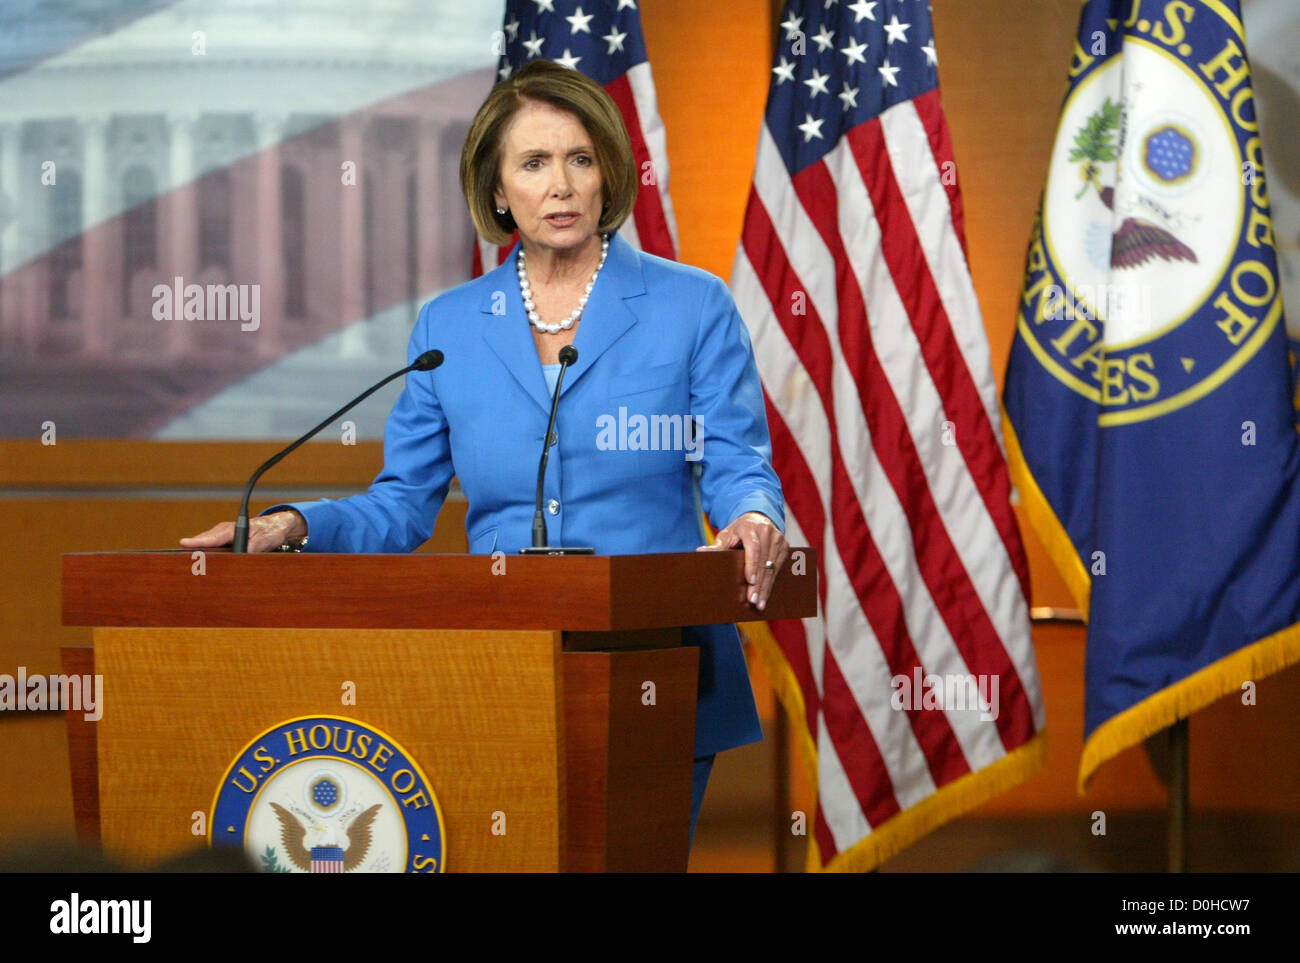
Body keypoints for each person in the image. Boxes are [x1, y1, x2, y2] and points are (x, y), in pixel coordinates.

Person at [182, 59, 788, 850]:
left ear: (608, 174)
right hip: (498, 674)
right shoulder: (449, 328)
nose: (561, 185)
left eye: (579, 158)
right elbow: (402, 504)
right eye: (533, 163)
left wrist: (751, 514)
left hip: (660, 671)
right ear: (498, 192)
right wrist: (294, 524)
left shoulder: (691, 304)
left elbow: (738, 460)